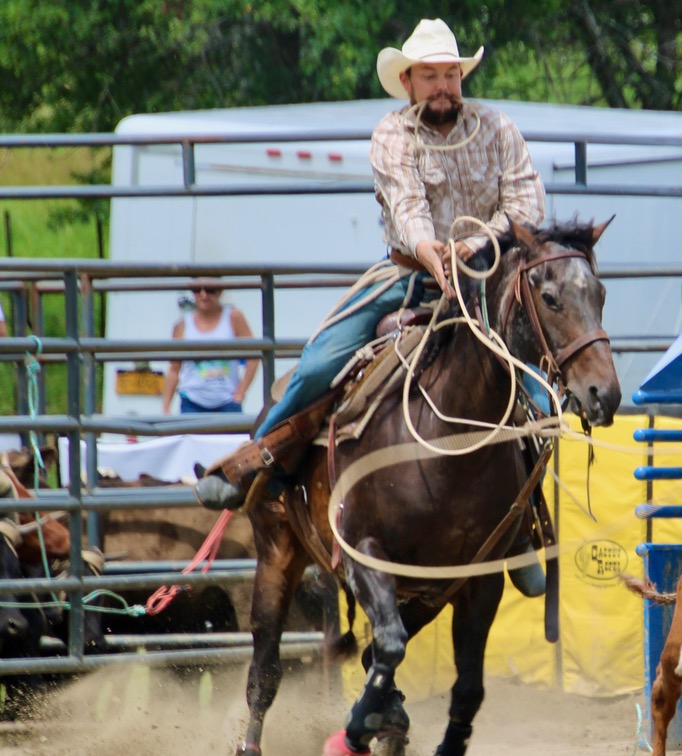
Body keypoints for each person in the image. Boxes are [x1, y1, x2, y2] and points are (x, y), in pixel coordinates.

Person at [191, 17, 546, 592]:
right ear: (408, 81)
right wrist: (434, 252)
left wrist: (477, 245)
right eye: (430, 75)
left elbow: (526, 203)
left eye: (450, 74)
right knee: (319, 364)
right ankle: (259, 461)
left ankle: (521, 524)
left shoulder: (498, 128)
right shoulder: (392, 134)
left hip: (489, 275)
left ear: (462, 76)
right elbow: (407, 211)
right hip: (408, 273)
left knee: (533, 392)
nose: (442, 86)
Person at [162, 278, 258, 414]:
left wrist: (240, 393)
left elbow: (254, 356)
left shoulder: (233, 317)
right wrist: (166, 407)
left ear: (220, 291)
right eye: (197, 290)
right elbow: (174, 368)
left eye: (210, 290)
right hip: (192, 402)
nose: (204, 295)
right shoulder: (182, 324)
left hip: (227, 401)